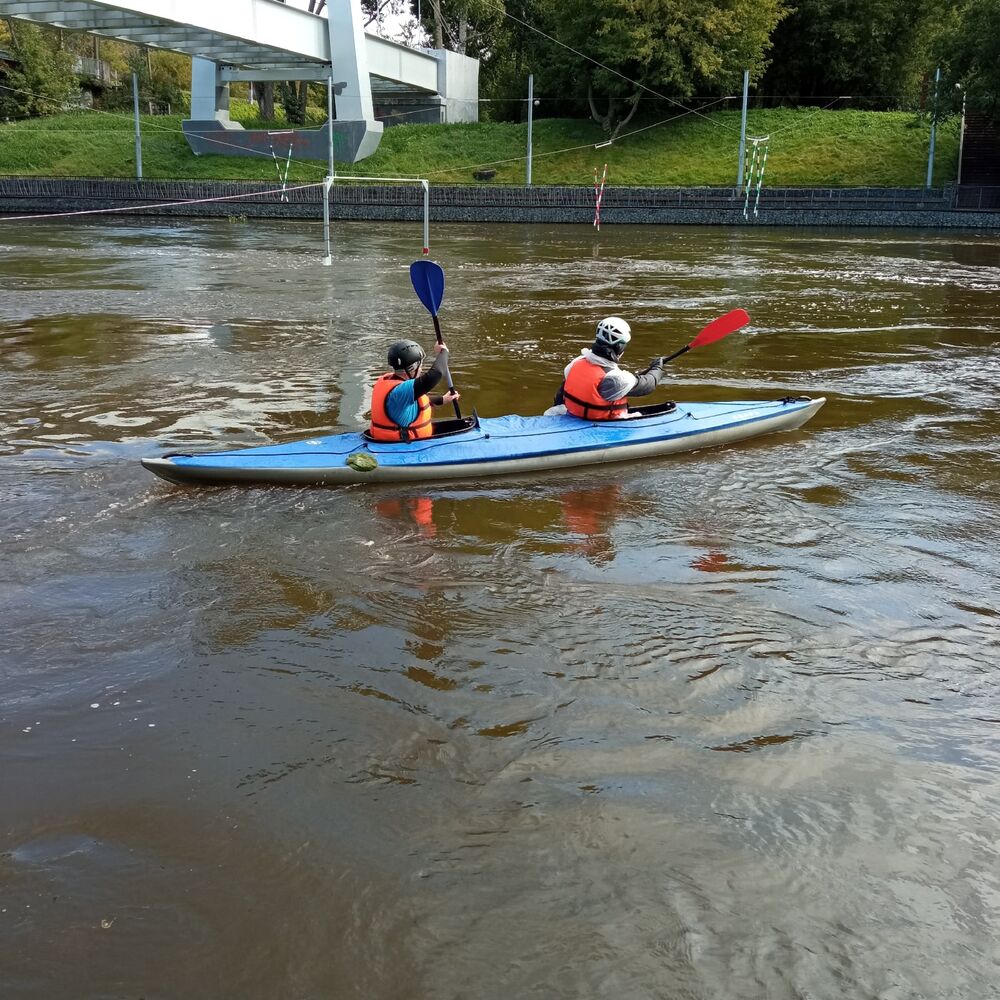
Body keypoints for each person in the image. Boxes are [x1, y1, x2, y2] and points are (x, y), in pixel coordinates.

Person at [551, 317, 666, 419]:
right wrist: (657, 368)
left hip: (573, 417)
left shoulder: (575, 363)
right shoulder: (616, 379)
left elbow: (561, 395)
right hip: (600, 426)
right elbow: (648, 384)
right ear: (619, 348)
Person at [369, 339, 461, 442]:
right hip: (402, 448)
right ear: (411, 368)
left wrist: (442, 399)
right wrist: (444, 352)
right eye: (420, 366)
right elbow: (436, 374)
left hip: (389, 442)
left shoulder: (390, 382)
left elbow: (416, 403)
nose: (421, 370)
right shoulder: (401, 391)